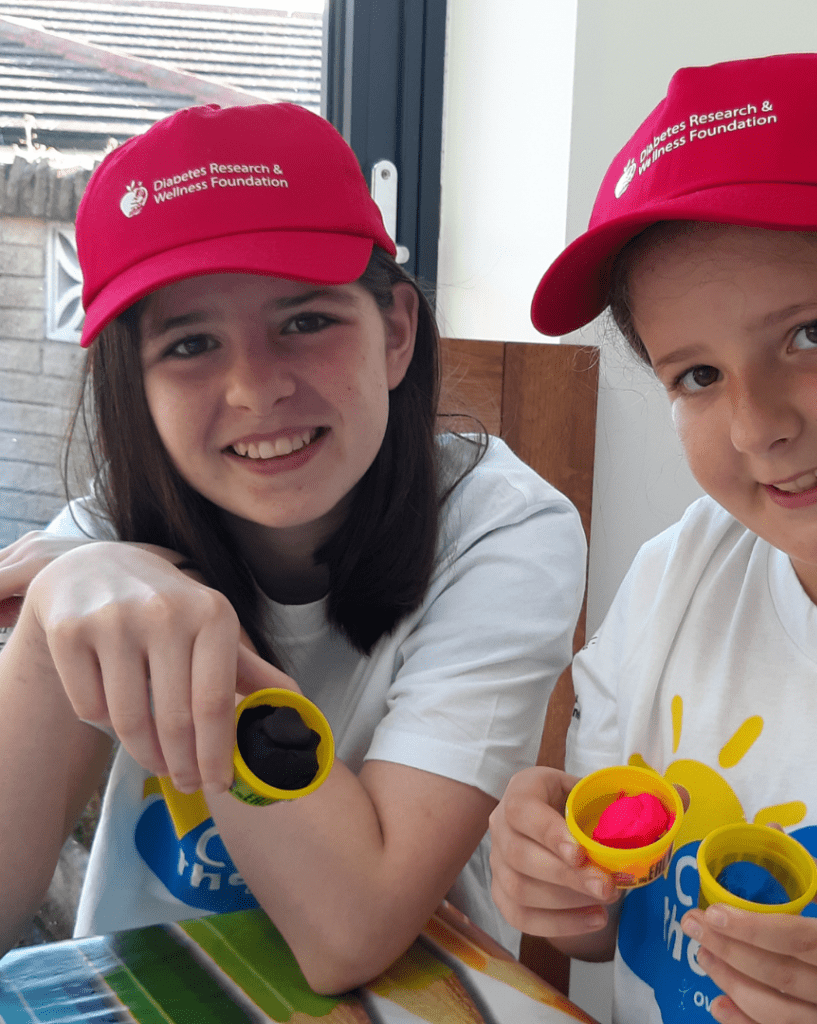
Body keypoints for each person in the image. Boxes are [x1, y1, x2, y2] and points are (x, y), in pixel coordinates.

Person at [0, 101, 587, 991]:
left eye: (305, 321)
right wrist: (54, 615)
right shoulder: (102, 543)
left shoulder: (502, 531)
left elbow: (348, 932)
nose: (252, 389)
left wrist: (190, 626)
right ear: (137, 386)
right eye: (191, 343)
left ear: (394, 332)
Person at [488, 50, 817, 1024]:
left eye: (812, 334)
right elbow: (607, 929)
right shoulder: (678, 578)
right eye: (695, 375)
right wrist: (558, 880)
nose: (755, 427)